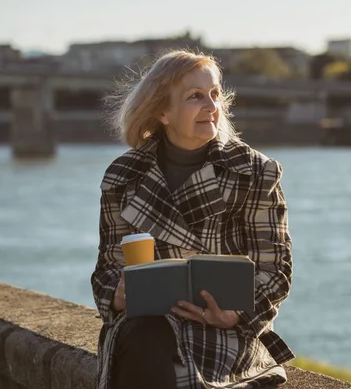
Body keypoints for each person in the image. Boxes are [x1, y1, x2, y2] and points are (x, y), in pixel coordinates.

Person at [90, 49, 295, 389]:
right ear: (162, 112)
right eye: (195, 96)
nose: (212, 106)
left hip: (226, 334)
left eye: (215, 94)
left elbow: (276, 270)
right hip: (146, 331)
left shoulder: (255, 172)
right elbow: (107, 269)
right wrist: (117, 293)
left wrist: (235, 314)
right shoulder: (122, 176)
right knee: (147, 337)